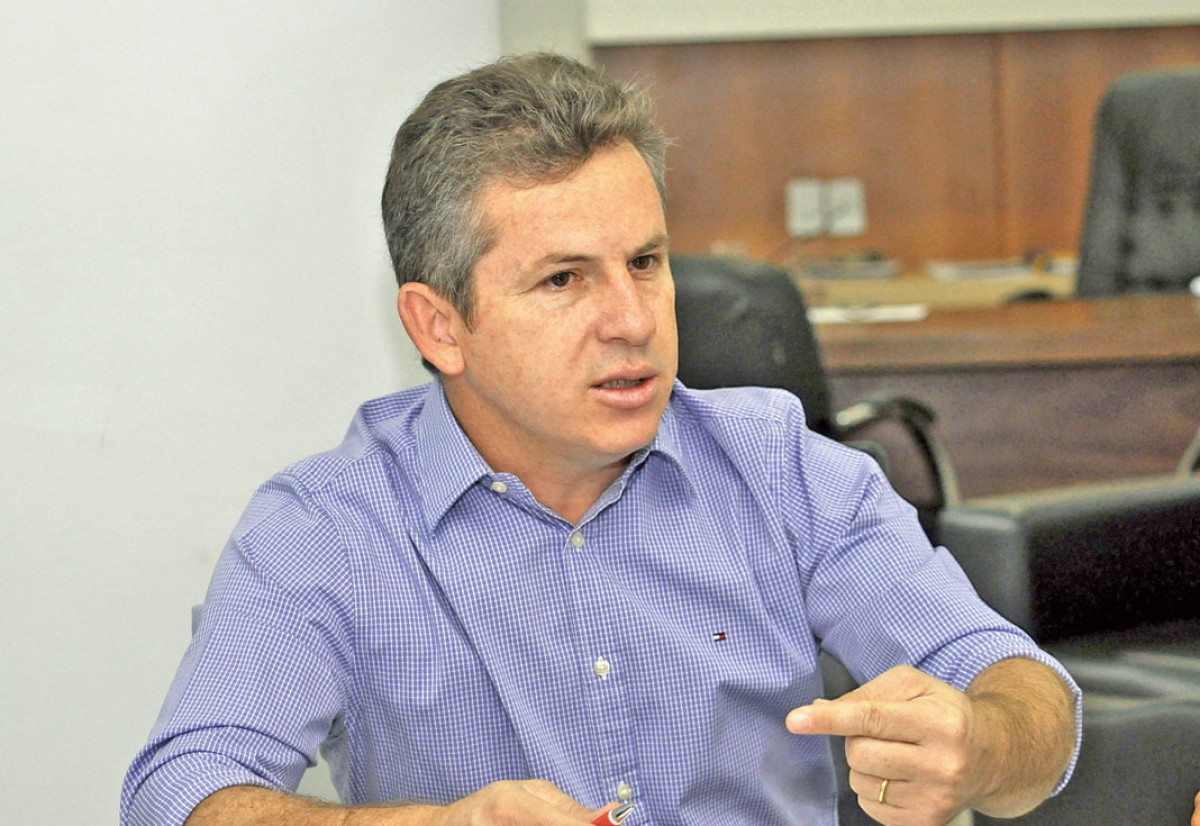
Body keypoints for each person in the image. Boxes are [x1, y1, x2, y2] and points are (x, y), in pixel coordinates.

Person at [121, 53, 1080, 826]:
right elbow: (181, 791)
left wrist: (983, 744)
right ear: (438, 326)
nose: (633, 320)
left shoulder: (778, 468)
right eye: (563, 280)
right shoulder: (329, 528)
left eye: (646, 262)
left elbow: (1029, 694)